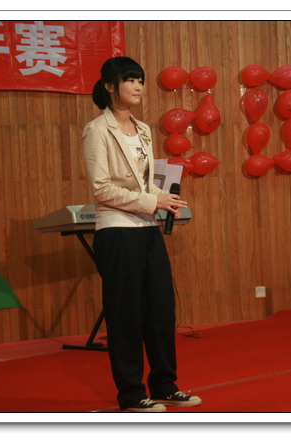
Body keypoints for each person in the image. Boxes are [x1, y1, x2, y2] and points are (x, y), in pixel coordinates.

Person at [82, 56, 202, 412]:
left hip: (147, 227)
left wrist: (164, 197)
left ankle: (165, 384)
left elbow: (146, 181)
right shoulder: (97, 130)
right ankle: (132, 393)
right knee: (125, 316)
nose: (137, 87)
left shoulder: (144, 129)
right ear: (110, 86)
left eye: (140, 80)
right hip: (117, 230)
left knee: (161, 310)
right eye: (130, 80)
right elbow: (101, 189)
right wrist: (152, 200)